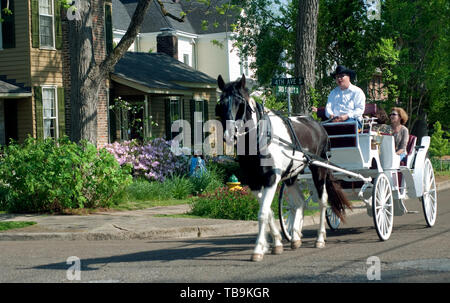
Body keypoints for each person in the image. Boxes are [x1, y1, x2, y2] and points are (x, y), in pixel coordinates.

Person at [324, 65, 366, 130]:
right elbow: (328, 107)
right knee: (320, 129)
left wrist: (346, 116)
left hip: (352, 120)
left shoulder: (357, 92)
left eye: (342, 76)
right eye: (337, 77)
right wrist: (331, 115)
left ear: (348, 77)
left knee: (344, 126)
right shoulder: (333, 93)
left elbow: (360, 109)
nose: (339, 79)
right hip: (335, 120)